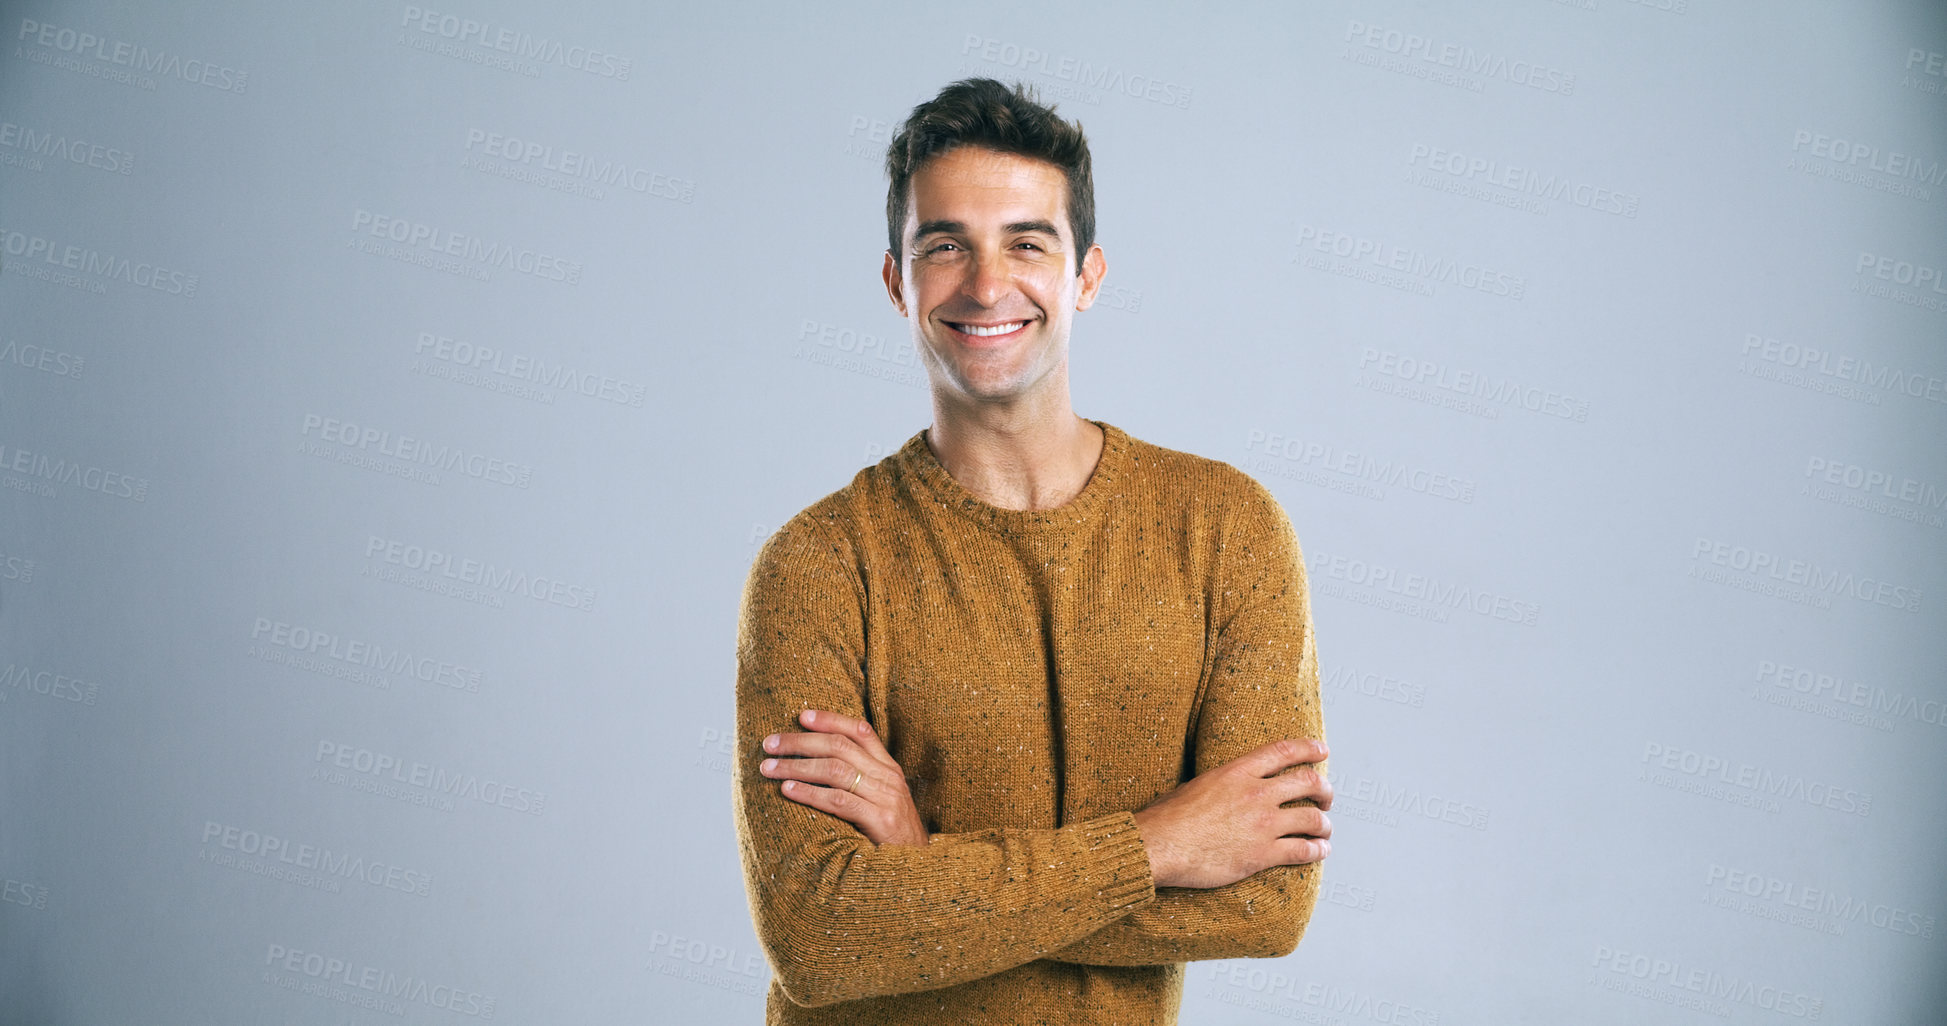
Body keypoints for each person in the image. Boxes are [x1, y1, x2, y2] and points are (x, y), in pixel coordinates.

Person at [731, 76, 1332, 1025]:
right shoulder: (816, 566)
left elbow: (1269, 902)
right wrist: (1159, 848)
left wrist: (926, 871)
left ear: (1085, 276)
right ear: (897, 282)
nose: (983, 283)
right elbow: (820, 937)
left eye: (1025, 241)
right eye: (944, 246)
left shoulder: (1227, 531)